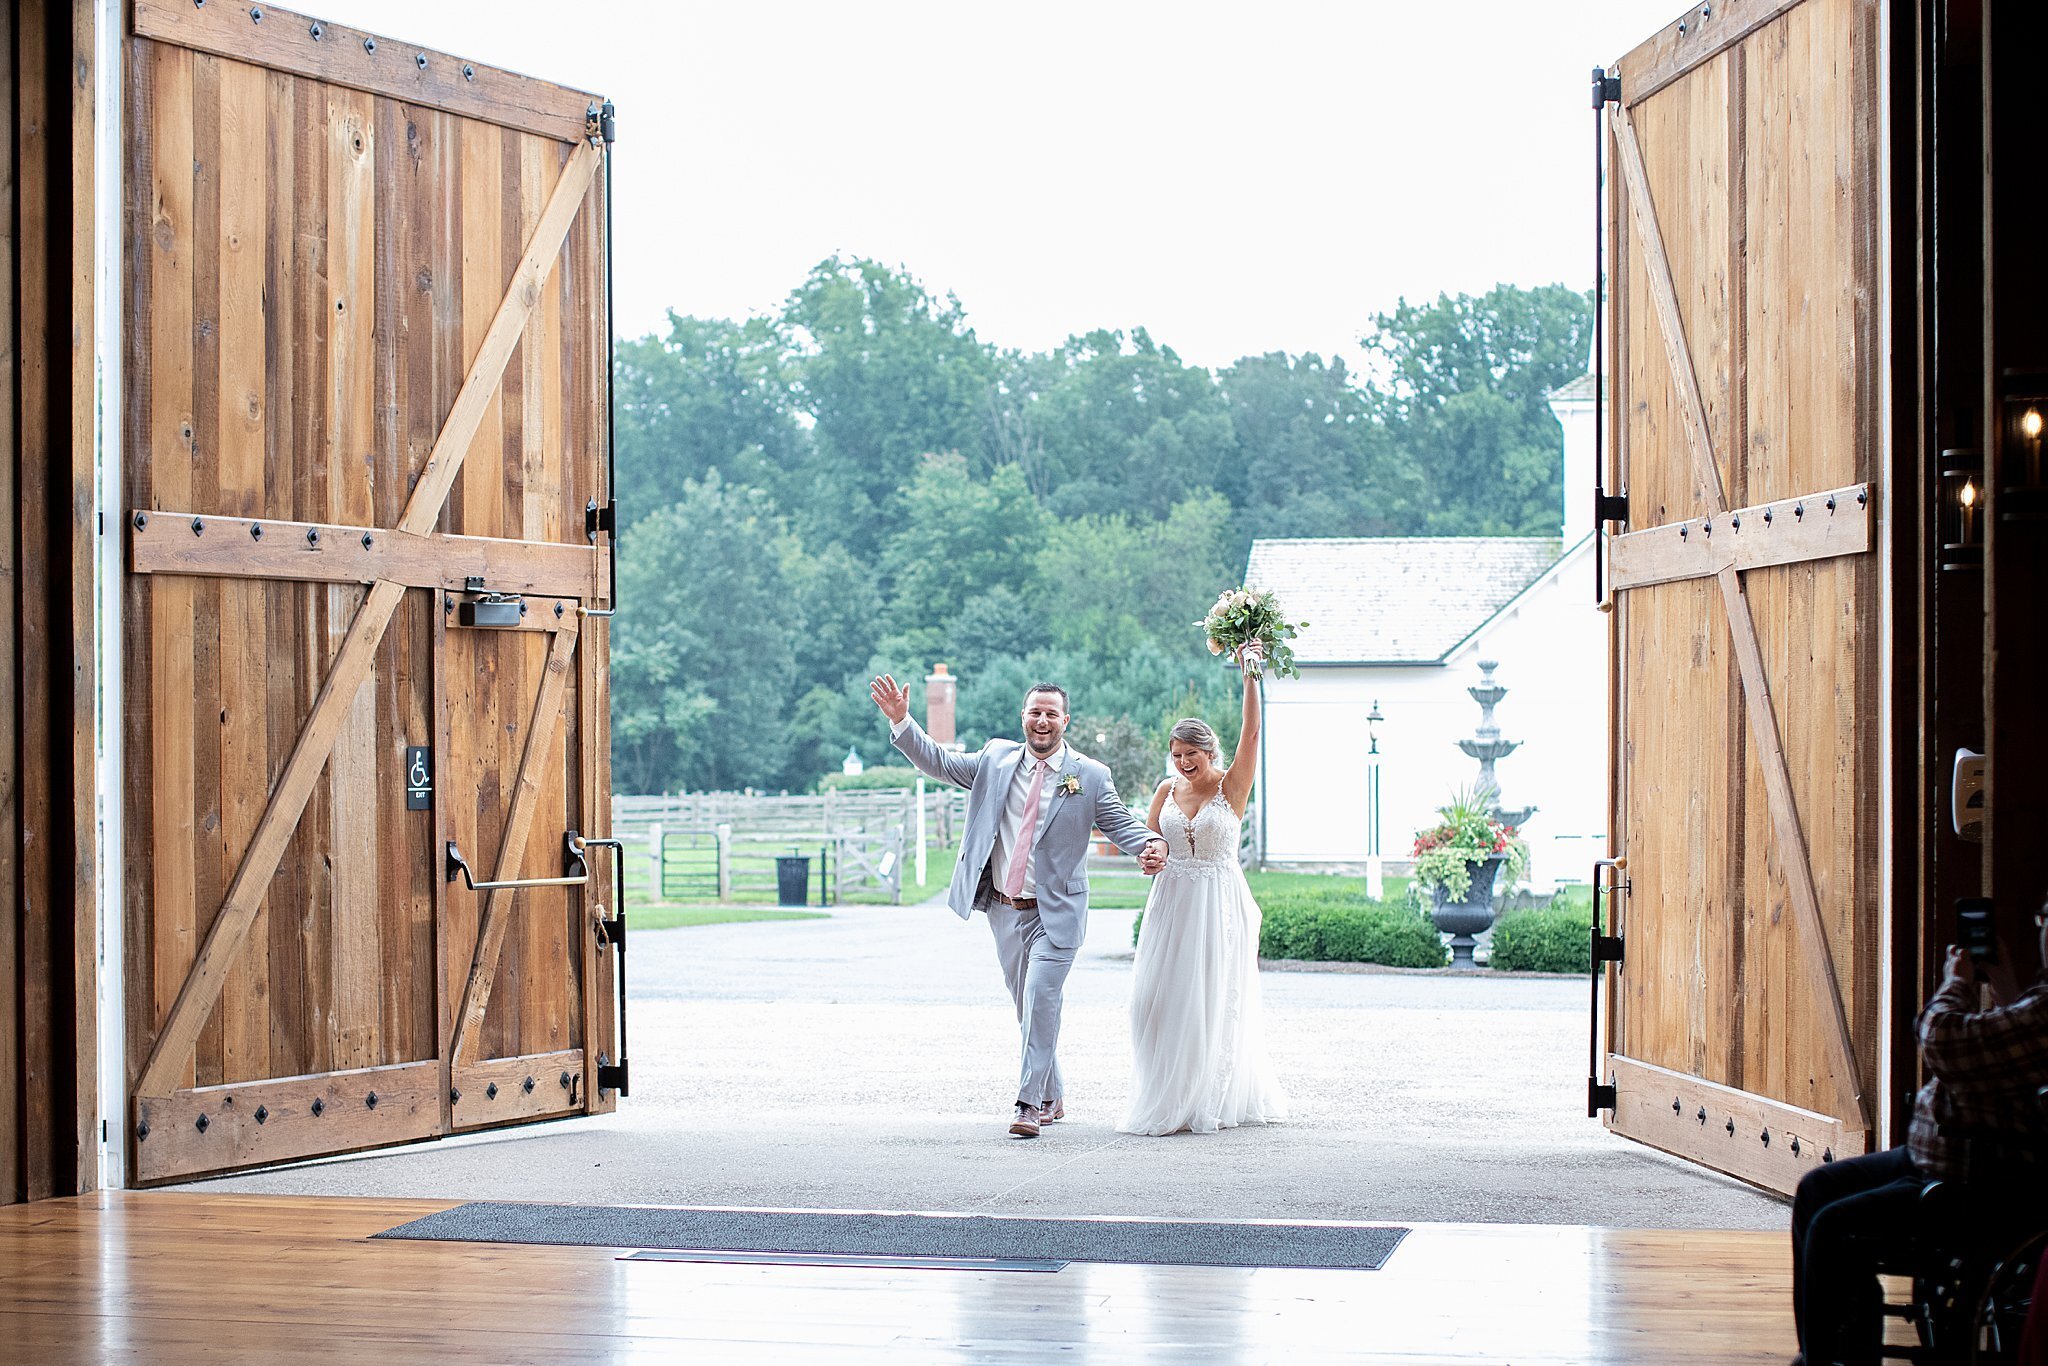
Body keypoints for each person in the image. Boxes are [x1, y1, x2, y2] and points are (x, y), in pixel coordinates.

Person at [871, 675, 1169, 1138]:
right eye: (1035, 712)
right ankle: (1054, 1094)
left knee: (1040, 996)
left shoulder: (1089, 776)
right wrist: (901, 721)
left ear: (1065, 721)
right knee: (1026, 1006)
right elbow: (939, 761)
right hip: (1005, 909)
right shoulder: (994, 759)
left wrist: (1152, 844)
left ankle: (1028, 1103)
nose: (1043, 720)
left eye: (1052, 713)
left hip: (1059, 914)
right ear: (1023, 717)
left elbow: (1120, 823)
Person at [1790, 904, 2048, 1365]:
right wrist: (2006, 982)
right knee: (1816, 1188)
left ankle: (1831, 1358)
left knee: (1833, 1226)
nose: (2039, 928)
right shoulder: (2040, 1002)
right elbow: (2012, 1044)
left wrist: (1959, 982)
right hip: (1941, 1156)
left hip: (1973, 1177)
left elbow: (1942, 1039)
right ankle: (1825, 1352)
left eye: (2043, 920)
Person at [1118, 642, 1289, 1136]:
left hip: (1218, 903)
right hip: (1171, 903)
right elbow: (1148, 844)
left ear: (1209, 753)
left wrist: (1250, 672)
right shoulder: (1165, 791)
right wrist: (1150, 858)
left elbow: (1252, 733)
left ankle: (1202, 1096)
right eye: (1175, 756)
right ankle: (1162, 1088)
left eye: (1190, 755)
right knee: (1151, 1000)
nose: (1182, 764)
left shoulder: (1231, 786)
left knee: (1207, 1000)